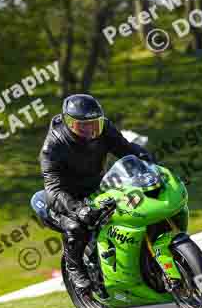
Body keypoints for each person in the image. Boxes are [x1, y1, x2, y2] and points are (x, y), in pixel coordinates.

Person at [39, 94, 154, 297]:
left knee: (131, 207)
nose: (90, 130)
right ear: (68, 123)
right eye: (82, 125)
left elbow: (125, 149)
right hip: (64, 198)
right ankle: (75, 268)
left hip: (96, 186)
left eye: (94, 124)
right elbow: (53, 189)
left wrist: (149, 162)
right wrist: (78, 209)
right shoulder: (53, 147)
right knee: (76, 227)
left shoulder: (105, 129)